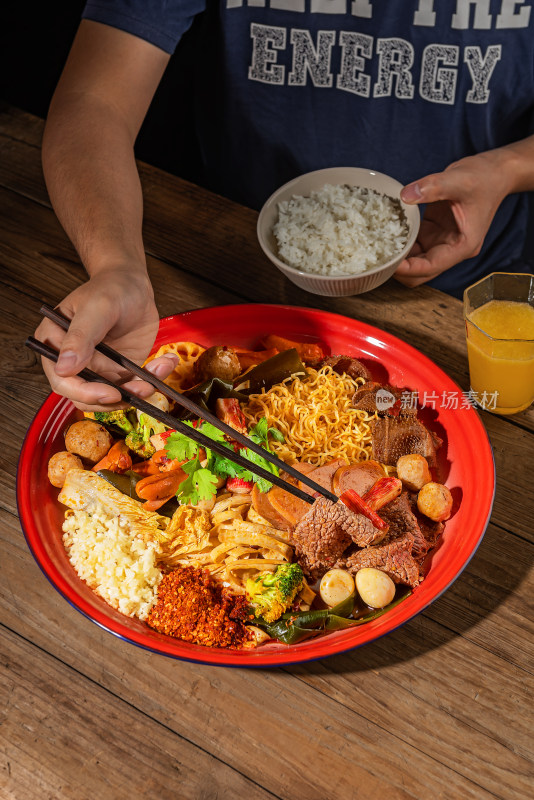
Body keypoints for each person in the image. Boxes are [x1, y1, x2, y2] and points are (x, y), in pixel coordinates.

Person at [36, 0, 534, 409]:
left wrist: (509, 168)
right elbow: (93, 101)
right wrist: (116, 265)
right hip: (232, 285)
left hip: (474, 304)